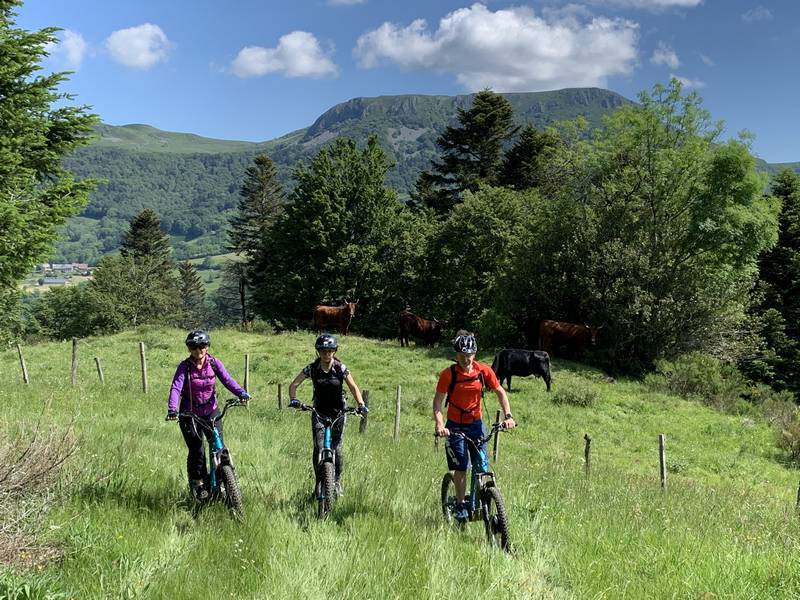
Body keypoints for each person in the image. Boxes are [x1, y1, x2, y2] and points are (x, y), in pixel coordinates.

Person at [432, 330, 516, 521]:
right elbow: (437, 403)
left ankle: (480, 501)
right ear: (456, 355)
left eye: (469, 355)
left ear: (474, 354)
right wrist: (440, 425)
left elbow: (500, 392)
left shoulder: (483, 371)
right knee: (461, 467)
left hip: (476, 426)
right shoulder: (448, 375)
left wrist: (508, 416)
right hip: (454, 427)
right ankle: (460, 503)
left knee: (482, 465)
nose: (466, 359)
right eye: (462, 355)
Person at [166, 330, 251, 500]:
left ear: (207, 347)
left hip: (211, 411)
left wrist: (241, 393)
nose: (198, 350)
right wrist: (172, 409)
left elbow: (227, 380)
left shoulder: (214, 363)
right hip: (189, 415)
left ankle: (224, 481)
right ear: (189, 349)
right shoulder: (185, 367)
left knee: (219, 447)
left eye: (202, 346)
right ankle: (198, 484)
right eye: (193, 347)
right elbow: (176, 387)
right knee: (197, 451)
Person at [288, 333, 367, 497]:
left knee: (337, 449)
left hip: (338, 412)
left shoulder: (340, 368)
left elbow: (353, 387)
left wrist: (360, 404)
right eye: (323, 351)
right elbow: (293, 385)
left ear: (334, 351)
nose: (326, 354)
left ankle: (336, 482)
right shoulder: (312, 368)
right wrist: (294, 399)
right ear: (318, 352)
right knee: (319, 447)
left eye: (330, 351)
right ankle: (318, 483)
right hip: (319, 412)